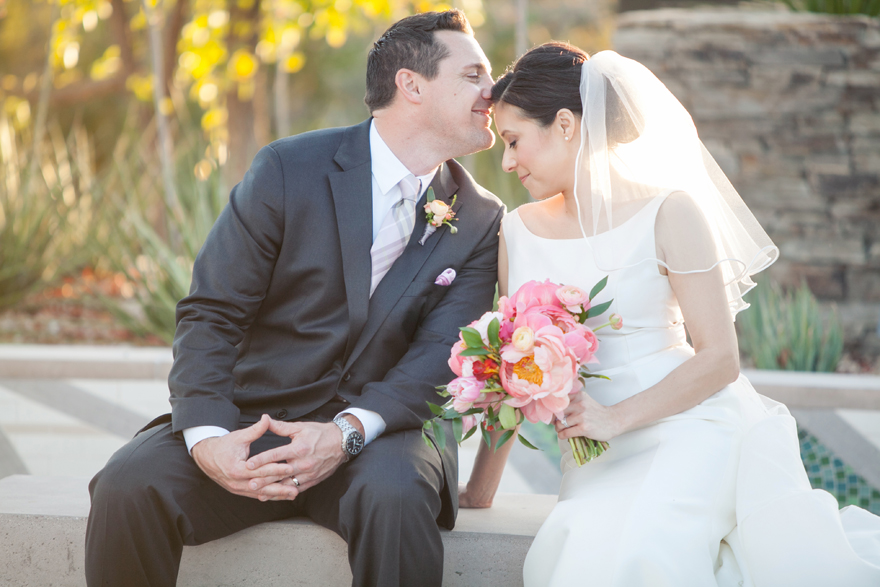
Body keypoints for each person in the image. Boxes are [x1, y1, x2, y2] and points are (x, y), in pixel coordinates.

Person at [85, 10, 504, 587]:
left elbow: (442, 355)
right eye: (475, 74)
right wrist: (209, 440)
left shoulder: (480, 218)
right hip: (254, 419)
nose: (494, 91)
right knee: (129, 484)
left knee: (394, 495)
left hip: (382, 436)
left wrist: (347, 431)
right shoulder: (290, 168)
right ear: (411, 84)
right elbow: (213, 310)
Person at [460, 42, 880, 586]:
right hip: (592, 458)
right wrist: (481, 488)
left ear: (564, 124)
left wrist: (615, 418)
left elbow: (721, 359)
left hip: (690, 427)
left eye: (514, 141)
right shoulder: (517, 231)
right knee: (583, 543)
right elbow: (514, 370)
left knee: (639, 547)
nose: (508, 160)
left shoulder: (670, 212)